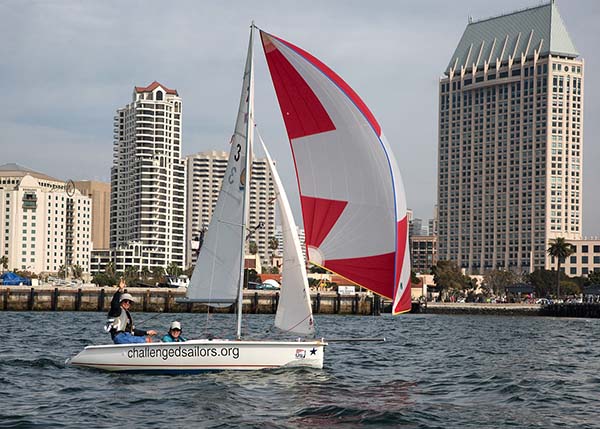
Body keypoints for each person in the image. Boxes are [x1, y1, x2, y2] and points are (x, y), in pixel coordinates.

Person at [107, 278, 157, 344]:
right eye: (125, 301)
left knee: (147, 339)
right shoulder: (116, 310)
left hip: (127, 336)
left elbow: (133, 331)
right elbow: (114, 303)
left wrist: (146, 332)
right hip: (119, 337)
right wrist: (120, 289)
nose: (127, 303)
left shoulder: (126, 315)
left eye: (129, 302)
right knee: (145, 341)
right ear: (121, 302)